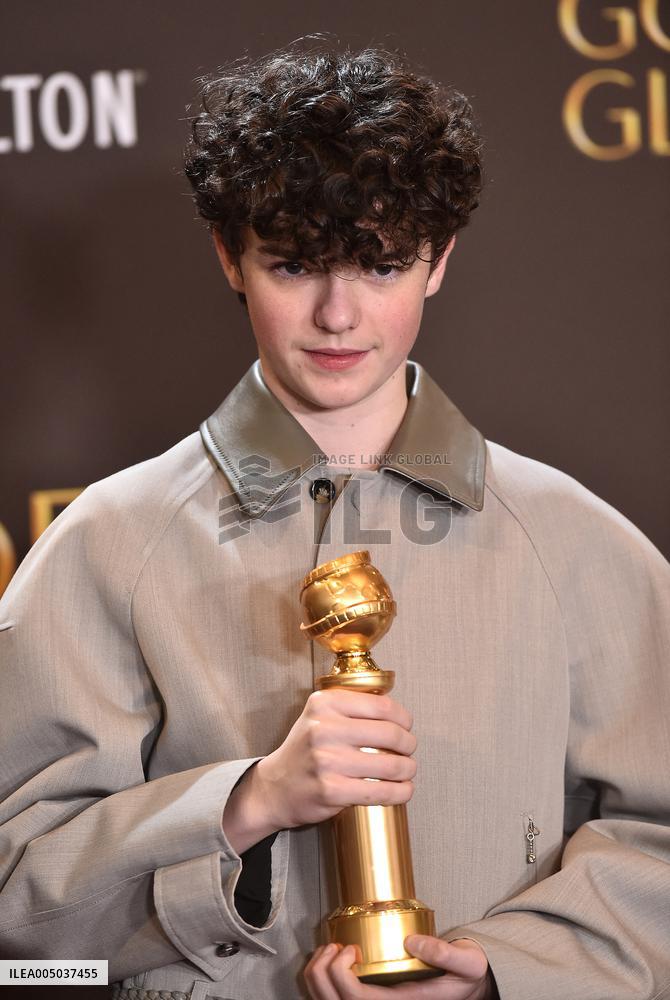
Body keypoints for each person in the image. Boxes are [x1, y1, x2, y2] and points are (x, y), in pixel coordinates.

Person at [0, 41, 669, 1000]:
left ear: (439, 262)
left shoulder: (577, 542)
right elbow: (20, 923)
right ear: (230, 256)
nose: (338, 314)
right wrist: (244, 803)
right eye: (295, 265)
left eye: (382, 264)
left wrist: (509, 975)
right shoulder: (107, 545)